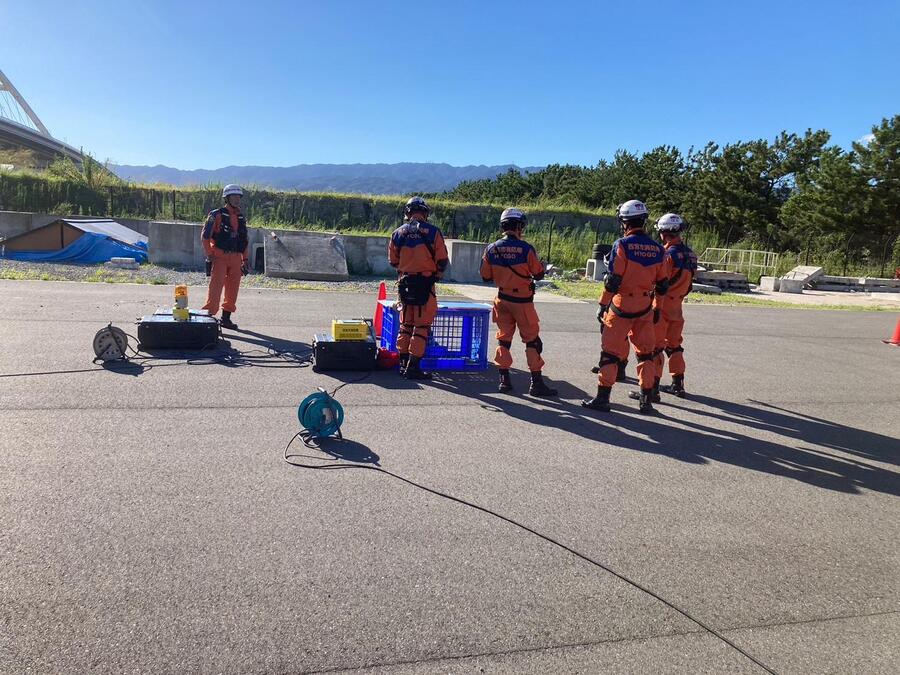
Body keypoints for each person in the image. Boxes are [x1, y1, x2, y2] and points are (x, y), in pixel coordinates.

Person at [582, 199, 669, 413]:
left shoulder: (621, 245)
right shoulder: (658, 250)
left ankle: (603, 398)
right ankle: (646, 401)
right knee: (645, 354)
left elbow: (613, 281)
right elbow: (663, 285)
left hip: (621, 306)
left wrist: (602, 305)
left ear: (624, 222)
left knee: (610, 353)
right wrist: (657, 308)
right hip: (645, 306)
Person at [479, 208, 557, 396]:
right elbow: (538, 273)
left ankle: (504, 380)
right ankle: (536, 383)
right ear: (519, 227)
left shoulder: (491, 248)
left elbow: (485, 276)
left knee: (503, 339)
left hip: (502, 298)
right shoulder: (527, 249)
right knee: (532, 341)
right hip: (522, 301)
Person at [388, 197, 449, 380]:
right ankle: (413, 367)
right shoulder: (433, 232)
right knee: (421, 327)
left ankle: (402, 363)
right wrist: (435, 275)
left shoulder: (398, 233)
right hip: (425, 286)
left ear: (407, 213)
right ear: (425, 213)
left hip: (405, 286)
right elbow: (443, 260)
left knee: (405, 325)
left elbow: (393, 261)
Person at [652, 213, 697, 398]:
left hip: (662, 305)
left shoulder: (667, 255)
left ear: (664, 232)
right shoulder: (691, 255)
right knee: (675, 346)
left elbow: (660, 282)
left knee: (655, 347)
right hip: (678, 306)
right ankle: (678, 384)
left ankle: (651, 387)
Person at [201, 184, 249, 330]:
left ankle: (226, 319)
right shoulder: (216, 215)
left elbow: (244, 240)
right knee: (215, 289)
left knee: (232, 290)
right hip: (219, 257)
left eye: (238, 196)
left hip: (236, 258)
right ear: (226, 198)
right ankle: (206, 318)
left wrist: (245, 260)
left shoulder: (241, 217)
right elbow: (205, 236)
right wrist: (210, 255)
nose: (237, 199)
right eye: (233, 196)